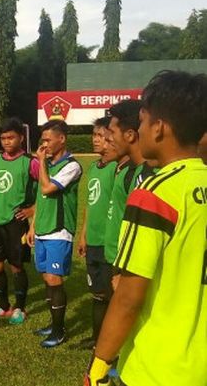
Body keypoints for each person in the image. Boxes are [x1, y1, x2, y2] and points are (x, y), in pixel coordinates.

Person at [85, 71, 207, 386]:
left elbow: (128, 296)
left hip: (156, 368)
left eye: (142, 122)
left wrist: (97, 368)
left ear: (159, 127)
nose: (137, 130)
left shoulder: (155, 193)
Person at [25, 120, 82, 347]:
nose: (44, 144)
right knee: (45, 277)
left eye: (48, 140)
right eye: (43, 140)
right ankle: (53, 323)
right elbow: (41, 197)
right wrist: (32, 226)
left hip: (59, 230)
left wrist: (40, 162)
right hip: (42, 229)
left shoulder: (72, 165)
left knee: (54, 278)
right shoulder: (48, 164)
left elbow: (48, 188)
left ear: (62, 139)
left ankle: (59, 330)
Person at [0, 118, 38, 325]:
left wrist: (33, 209)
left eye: (10, 137)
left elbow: (46, 189)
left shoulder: (31, 162)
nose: (6, 142)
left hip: (16, 222)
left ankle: (20, 307)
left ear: (21, 137)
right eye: (3, 138)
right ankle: (3, 306)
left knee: (16, 266)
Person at [104, 100, 155, 289]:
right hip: (117, 260)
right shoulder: (125, 171)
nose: (108, 139)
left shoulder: (150, 175)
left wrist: (127, 273)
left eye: (112, 132)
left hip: (131, 269)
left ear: (130, 135)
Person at [76, 117, 118, 348]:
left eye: (101, 136)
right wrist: (83, 234)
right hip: (92, 239)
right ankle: (96, 338)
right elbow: (90, 204)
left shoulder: (116, 168)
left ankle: (112, 343)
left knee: (112, 294)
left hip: (108, 241)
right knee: (97, 293)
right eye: (94, 135)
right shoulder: (94, 167)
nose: (95, 140)